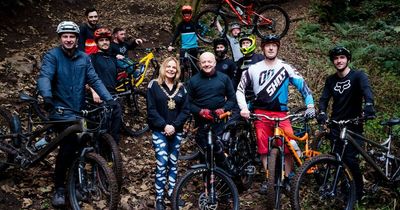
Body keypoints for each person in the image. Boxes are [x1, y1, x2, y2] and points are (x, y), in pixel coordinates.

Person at [37, 21, 114, 207]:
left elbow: (94, 79)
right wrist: (46, 96)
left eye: (72, 36)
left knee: (81, 145)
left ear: (77, 38)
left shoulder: (84, 58)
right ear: (60, 38)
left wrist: (109, 98)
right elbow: (45, 76)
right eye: (65, 36)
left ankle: (76, 182)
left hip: (77, 111)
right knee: (68, 147)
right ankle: (59, 188)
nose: (69, 39)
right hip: (60, 111)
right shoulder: (52, 56)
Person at [236, 35, 315, 194]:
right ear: (263, 48)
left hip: (282, 114)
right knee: (263, 149)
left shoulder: (286, 67)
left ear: (277, 48)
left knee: (289, 147)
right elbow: (240, 90)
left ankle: (287, 178)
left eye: (274, 45)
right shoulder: (253, 68)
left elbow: (303, 86)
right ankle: (268, 178)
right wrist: (244, 108)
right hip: (260, 115)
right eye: (267, 45)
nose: (271, 48)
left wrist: (310, 105)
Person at [317, 46, 376, 201]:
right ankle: (345, 189)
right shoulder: (330, 80)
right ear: (333, 61)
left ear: (348, 59)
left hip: (353, 125)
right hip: (336, 125)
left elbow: (367, 91)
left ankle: (357, 193)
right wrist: (322, 112)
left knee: (350, 159)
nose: (339, 60)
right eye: (336, 58)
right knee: (338, 158)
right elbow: (324, 99)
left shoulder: (358, 76)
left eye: (342, 57)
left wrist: (369, 105)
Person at [147, 57, 190, 210]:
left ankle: (172, 194)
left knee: (173, 164)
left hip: (176, 132)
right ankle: (159, 197)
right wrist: (164, 125)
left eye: (174, 67)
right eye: (168, 67)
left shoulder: (182, 88)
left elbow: (185, 110)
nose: (171, 69)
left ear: (177, 70)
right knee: (161, 163)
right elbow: (151, 110)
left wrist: (174, 126)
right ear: (163, 69)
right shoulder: (154, 86)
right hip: (159, 132)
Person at [186, 52, 237, 172]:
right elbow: (187, 103)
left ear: (214, 63)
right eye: (203, 62)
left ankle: (226, 178)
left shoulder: (224, 78)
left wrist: (224, 109)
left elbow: (232, 99)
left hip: (220, 122)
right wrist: (199, 111)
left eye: (209, 61)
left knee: (220, 152)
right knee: (205, 154)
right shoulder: (193, 81)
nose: (206, 64)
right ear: (199, 64)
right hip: (202, 124)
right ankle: (208, 183)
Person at [89, 27, 122, 144]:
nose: (105, 42)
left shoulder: (113, 58)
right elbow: (87, 77)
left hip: (113, 96)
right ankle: (98, 154)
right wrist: (94, 91)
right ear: (97, 42)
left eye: (107, 40)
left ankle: (113, 153)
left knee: (116, 125)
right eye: (101, 40)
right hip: (99, 97)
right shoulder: (92, 58)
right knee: (102, 126)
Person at [167, 5, 199, 78]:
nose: (187, 15)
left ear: (191, 14)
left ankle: (196, 81)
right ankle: (181, 81)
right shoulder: (181, 25)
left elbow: (203, 31)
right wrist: (171, 45)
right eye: (185, 13)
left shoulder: (194, 23)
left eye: (188, 13)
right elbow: (175, 35)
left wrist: (199, 37)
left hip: (194, 47)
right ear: (183, 14)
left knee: (194, 66)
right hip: (184, 48)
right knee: (181, 66)